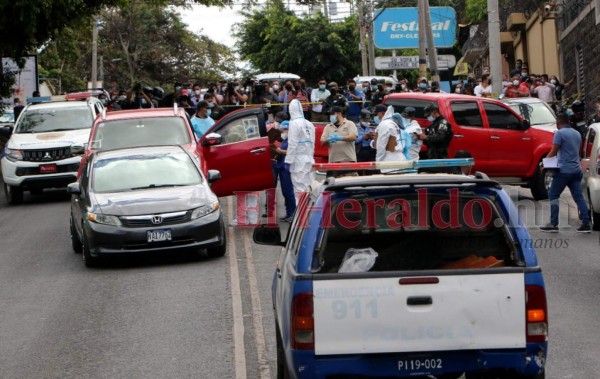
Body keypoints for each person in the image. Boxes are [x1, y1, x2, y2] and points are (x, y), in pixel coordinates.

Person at [540, 113, 591, 233]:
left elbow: (553, 151)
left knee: (553, 195)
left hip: (564, 171)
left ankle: (553, 224)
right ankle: (586, 224)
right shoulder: (577, 133)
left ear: (558, 123)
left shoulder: (559, 133)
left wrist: (544, 163)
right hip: (576, 170)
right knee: (578, 197)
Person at [285, 99, 315, 201]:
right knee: (310, 188)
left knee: (299, 190)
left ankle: (302, 215)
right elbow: (313, 144)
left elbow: (292, 144)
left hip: (298, 160)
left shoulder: (294, 123)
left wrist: (288, 161)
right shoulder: (310, 124)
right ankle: (310, 214)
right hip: (310, 159)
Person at [320, 105, 358, 177]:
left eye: (332, 114)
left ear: (339, 114)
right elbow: (322, 142)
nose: (331, 116)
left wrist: (341, 138)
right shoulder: (328, 127)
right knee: (332, 186)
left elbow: (353, 136)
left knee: (350, 184)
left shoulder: (349, 124)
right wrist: (328, 140)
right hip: (333, 162)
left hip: (348, 161)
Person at [372, 105, 408, 173]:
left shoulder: (384, 124)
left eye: (376, 114)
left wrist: (378, 162)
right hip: (399, 158)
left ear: (382, 113)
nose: (375, 116)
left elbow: (381, 146)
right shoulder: (393, 123)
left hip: (390, 160)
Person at [274, 121, 297, 222]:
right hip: (282, 166)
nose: (282, 132)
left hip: (287, 168)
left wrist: (280, 151)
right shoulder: (285, 140)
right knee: (285, 191)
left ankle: (292, 214)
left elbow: (292, 151)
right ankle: (288, 213)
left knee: (288, 191)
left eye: (283, 130)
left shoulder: (292, 140)